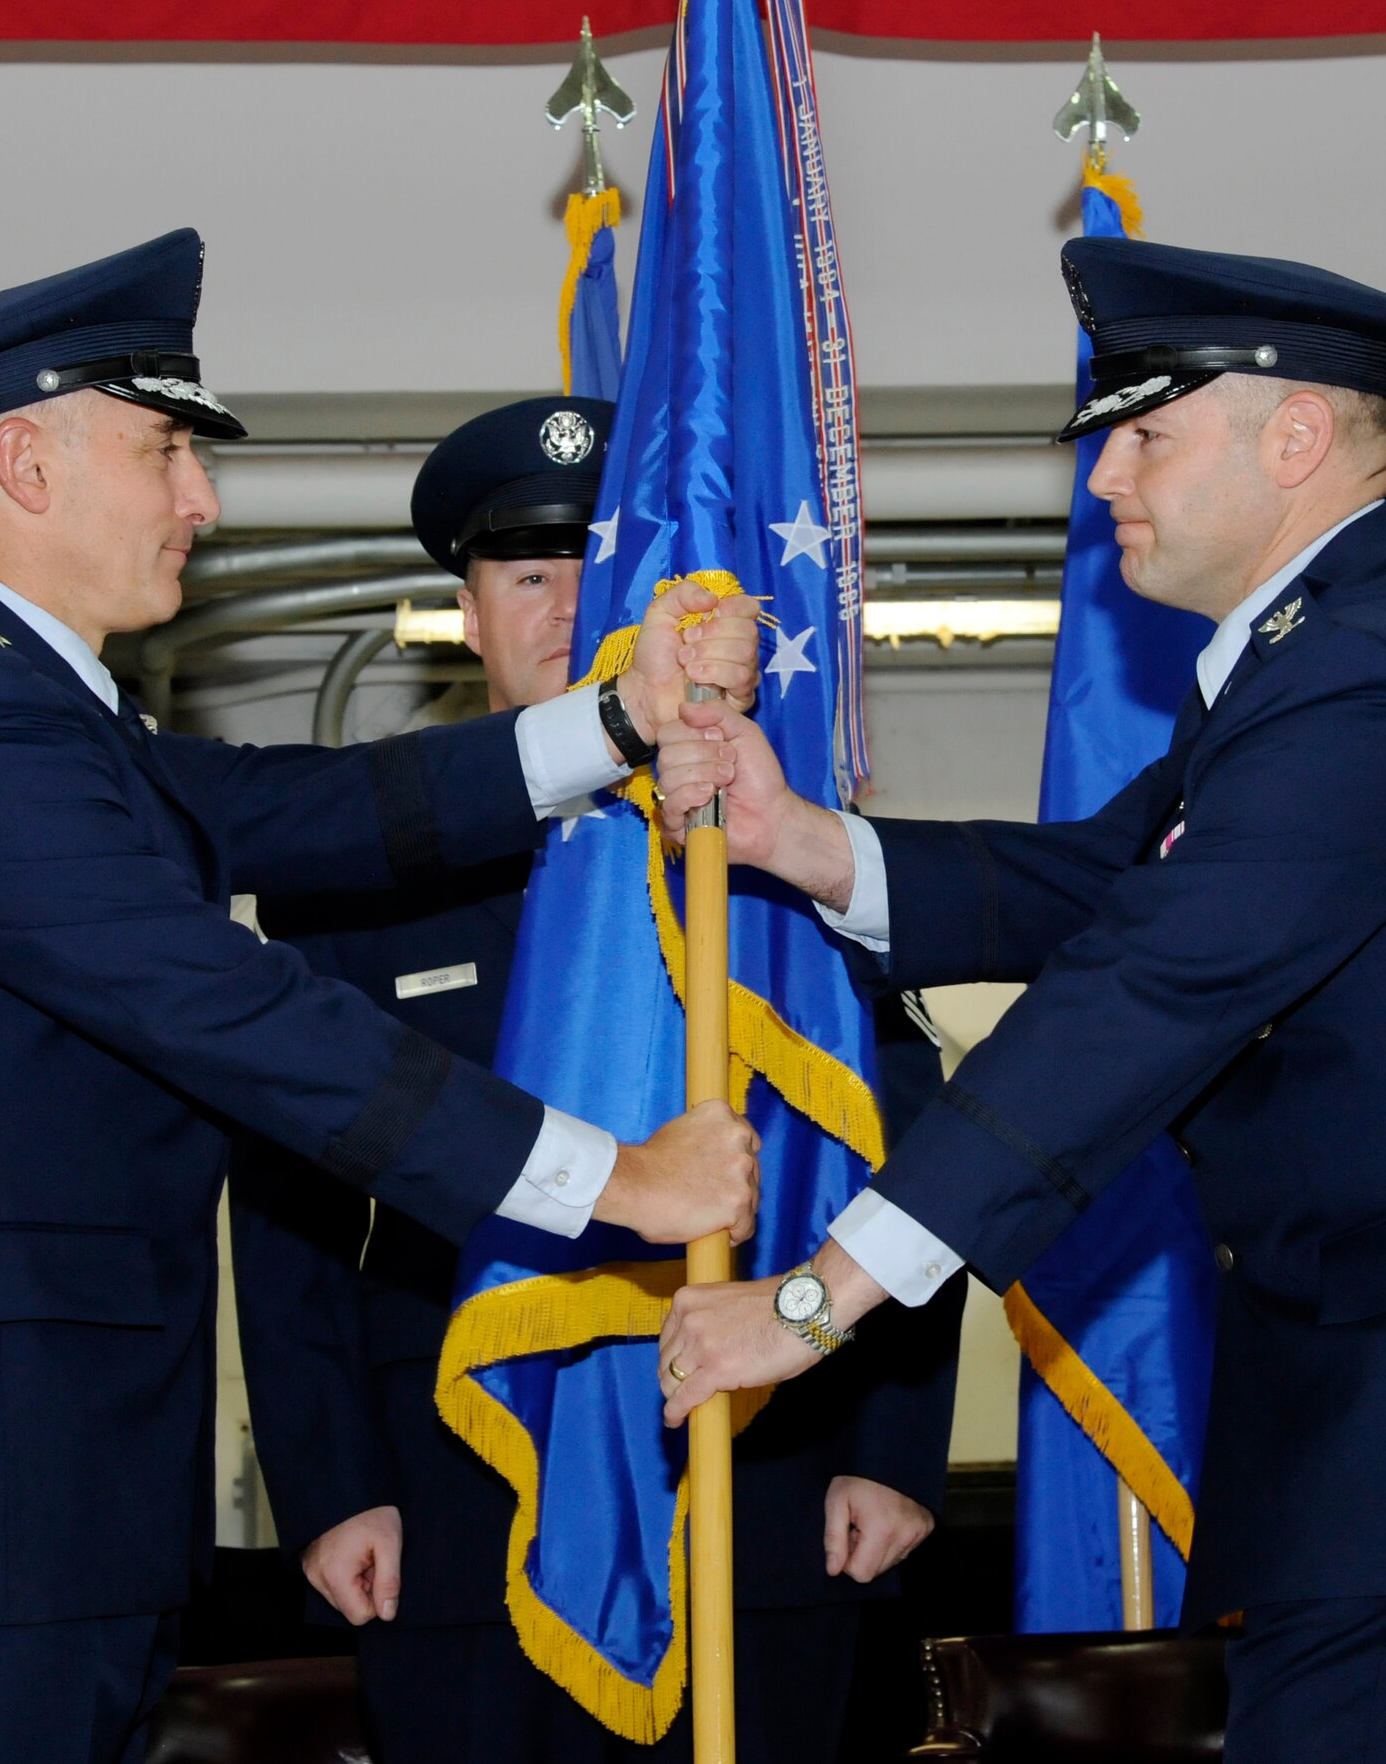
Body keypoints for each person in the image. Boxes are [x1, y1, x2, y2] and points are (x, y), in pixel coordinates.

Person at [0, 231, 765, 1764]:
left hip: (27, 1517)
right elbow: (240, 1011)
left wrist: (616, 717)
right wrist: (611, 1181)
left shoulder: (17, 699)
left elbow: (303, 811)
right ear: (25, 460)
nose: (202, 502)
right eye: (166, 451)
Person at [652, 239, 1386, 1764]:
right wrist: (800, 839)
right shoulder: (1299, 669)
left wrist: (816, 1298)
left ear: (1296, 439)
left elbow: (1142, 984)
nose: (1105, 472)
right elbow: (1100, 886)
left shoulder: (1374, 680)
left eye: (1146, 432)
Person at [230, 397, 964, 1764]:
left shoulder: (774, 851)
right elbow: (287, 1196)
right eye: (526, 576)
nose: (568, 609)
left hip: (766, 1470)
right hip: (458, 1484)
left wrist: (895, 1444)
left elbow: (905, 1136)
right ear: (467, 610)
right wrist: (329, 1485)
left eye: (601, 575)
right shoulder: (359, 875)